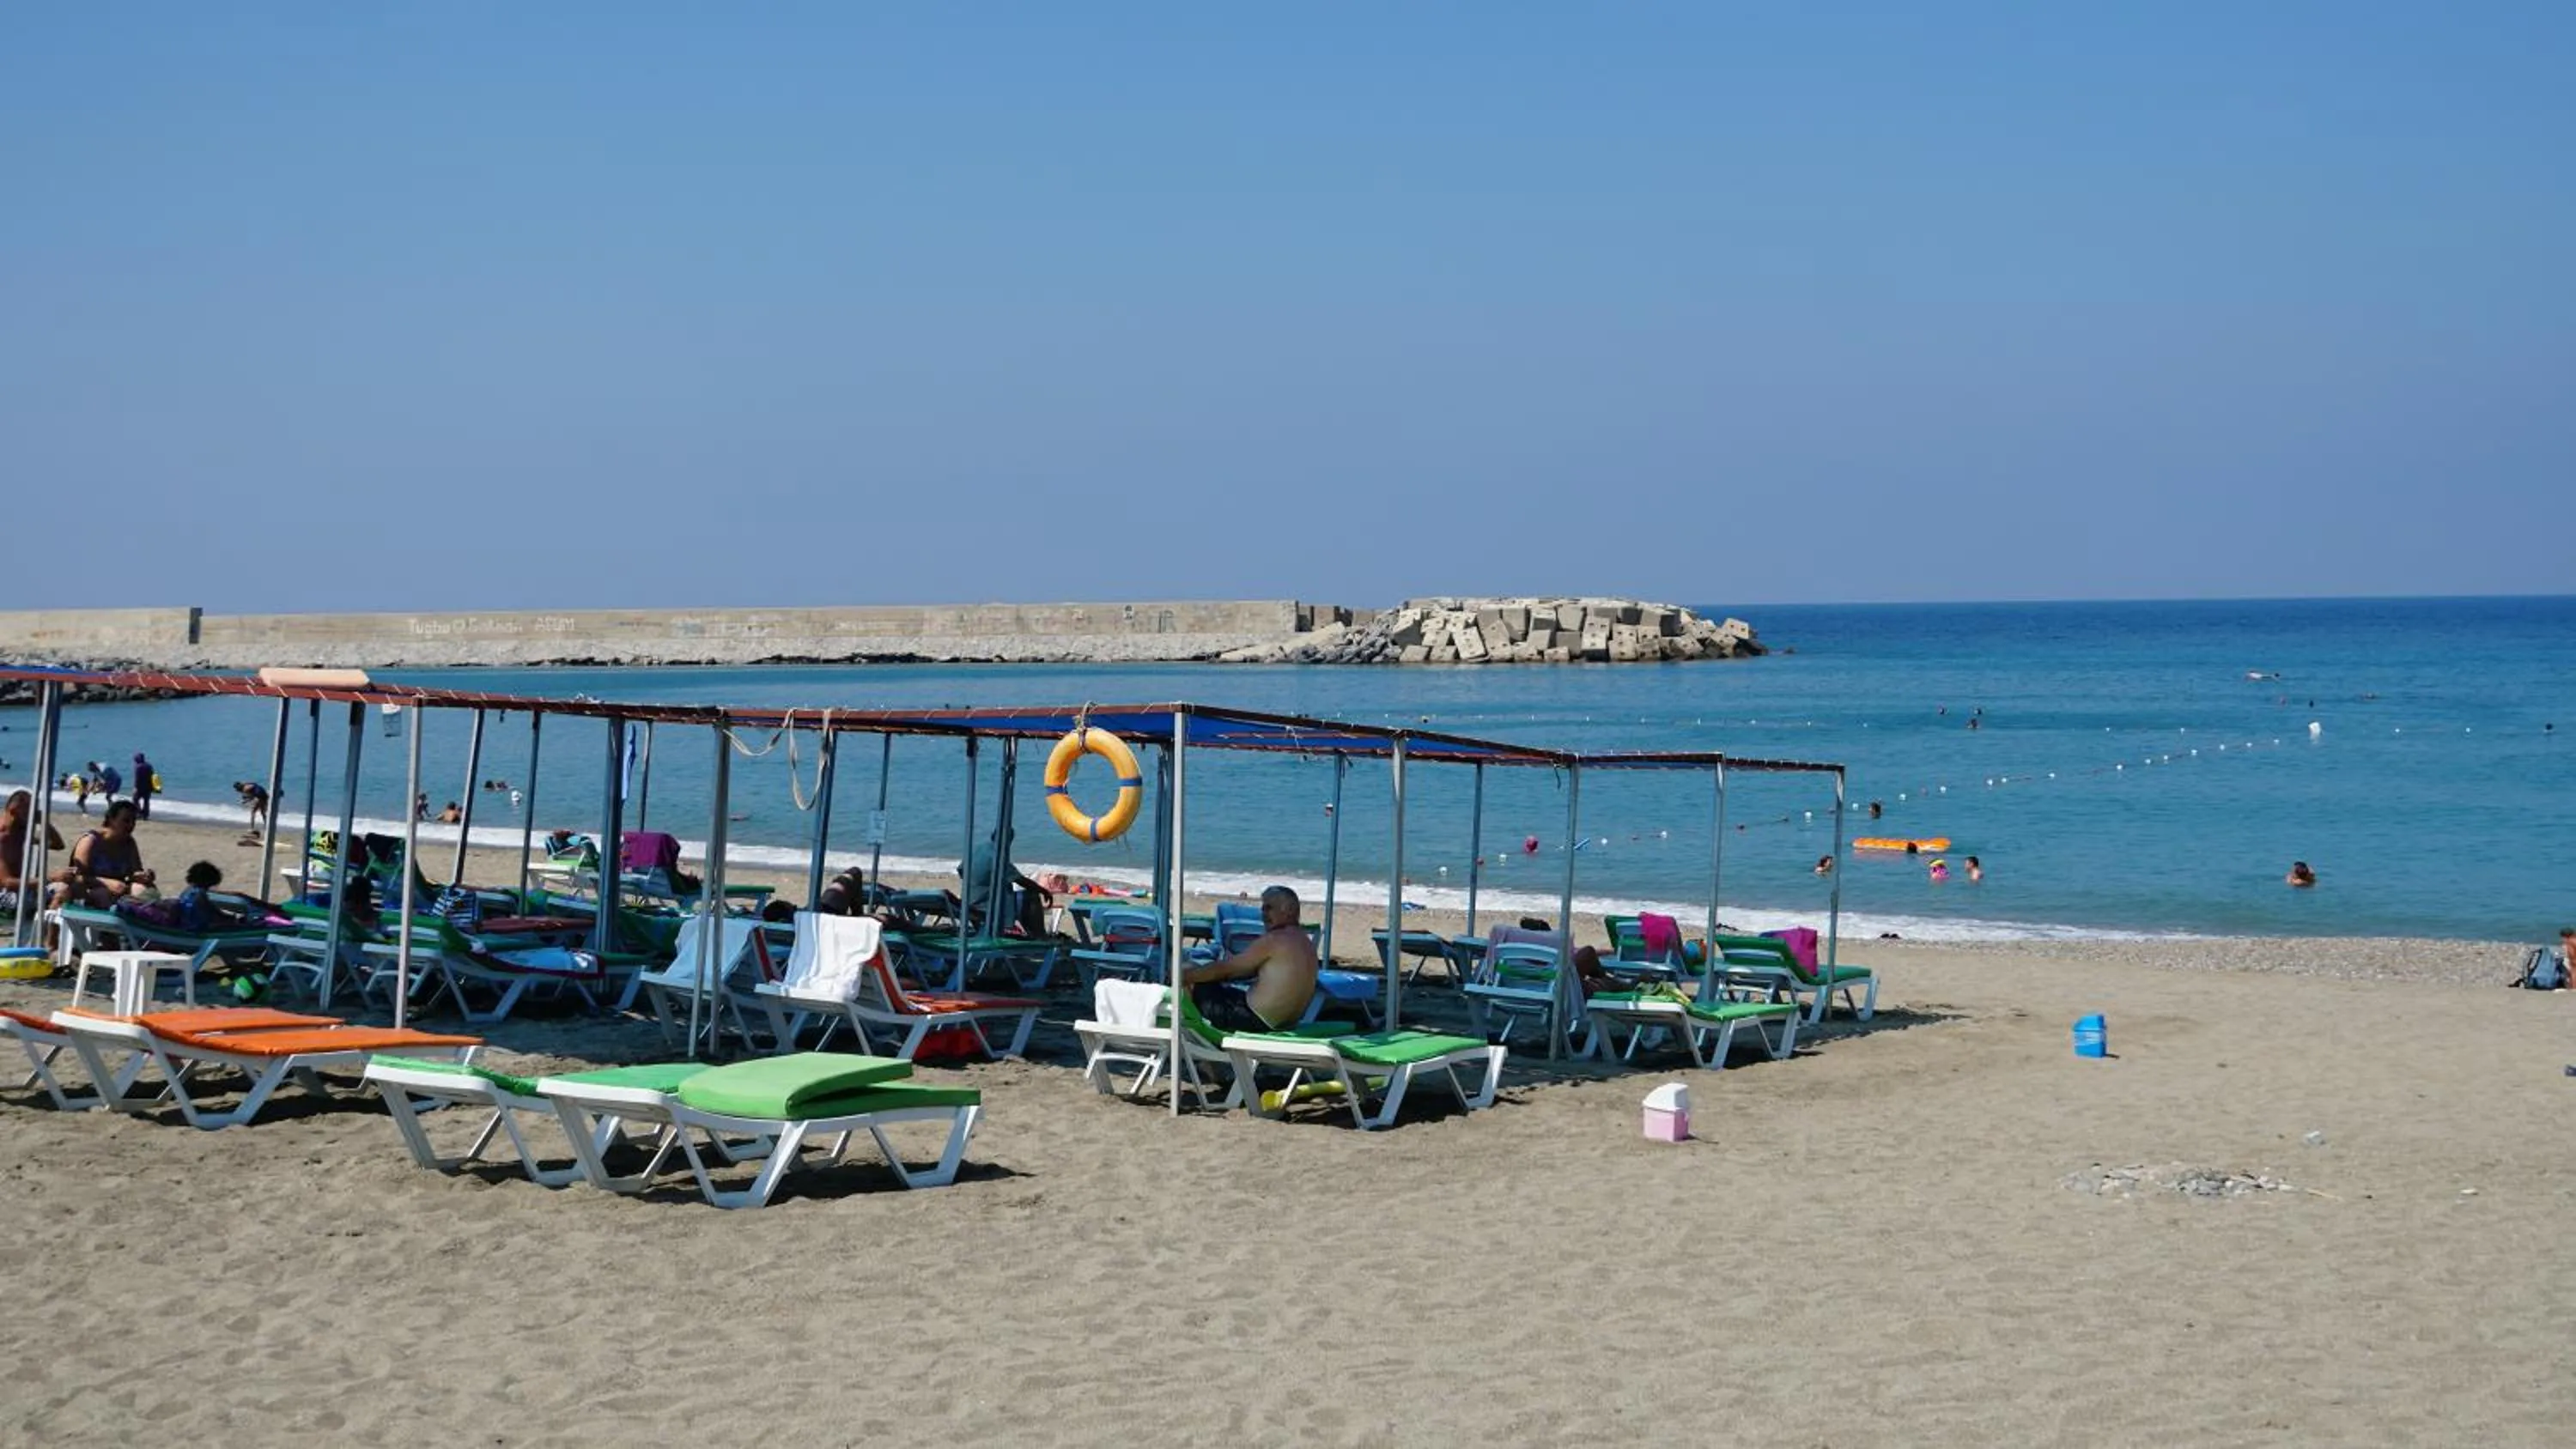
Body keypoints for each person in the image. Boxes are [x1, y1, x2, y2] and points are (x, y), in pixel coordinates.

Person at [1180, 885, 1320, 1032]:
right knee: (1207, 979)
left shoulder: (1276, 939)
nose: (1263, 915)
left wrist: (1184, 976)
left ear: (1290, 910)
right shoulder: (1305, 942)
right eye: (1263, 909)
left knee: (1189, 972)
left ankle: (1193, 1036)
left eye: (1269, 908)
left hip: (1253, 1021)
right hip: (1284, 1023)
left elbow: (1226, 970)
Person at [51, 798, 154, 908]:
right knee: (103, 894)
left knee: (144, 891)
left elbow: (135, 872)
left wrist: (143, 876)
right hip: (87, 890)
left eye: (133, 821)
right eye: (126, 821)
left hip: (119, 889)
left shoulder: (129, 843)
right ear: (111, 819)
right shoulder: (90, 840)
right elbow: (77, 877)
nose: (131, 825)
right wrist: (107, 883)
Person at [961, 825, 1051, 937]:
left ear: (992, 836)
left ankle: (1032, 934)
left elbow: (961, 871)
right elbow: (1020, 880)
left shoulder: (978, 849)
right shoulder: (997, 856)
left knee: (1017, 897)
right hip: (985, 905)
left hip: (968, 900)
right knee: (1031, 896)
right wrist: (1044, 891)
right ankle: (1039, 936)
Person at [0, 788, 68, 919]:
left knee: (67, 889)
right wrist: (50, 878)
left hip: (20, 889)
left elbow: (58, 845)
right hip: (5, 894)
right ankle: (43, 924)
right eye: (29, 812)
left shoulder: (20, 832)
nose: (32, 816)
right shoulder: (3, 838)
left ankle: (46, 924)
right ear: (14, 811)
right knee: (58, 892)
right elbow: (6, 883)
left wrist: (43, 820)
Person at [131, 751, 156, 820]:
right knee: (146, 801)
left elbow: (137, 779)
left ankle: (139, 813)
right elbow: (153, 776)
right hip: (149, 787)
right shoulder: (149, 766)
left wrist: (135, 787)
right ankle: (145, 815)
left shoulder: (138, 767)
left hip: (140, 788)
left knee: (135, 799)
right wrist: (154, 787)